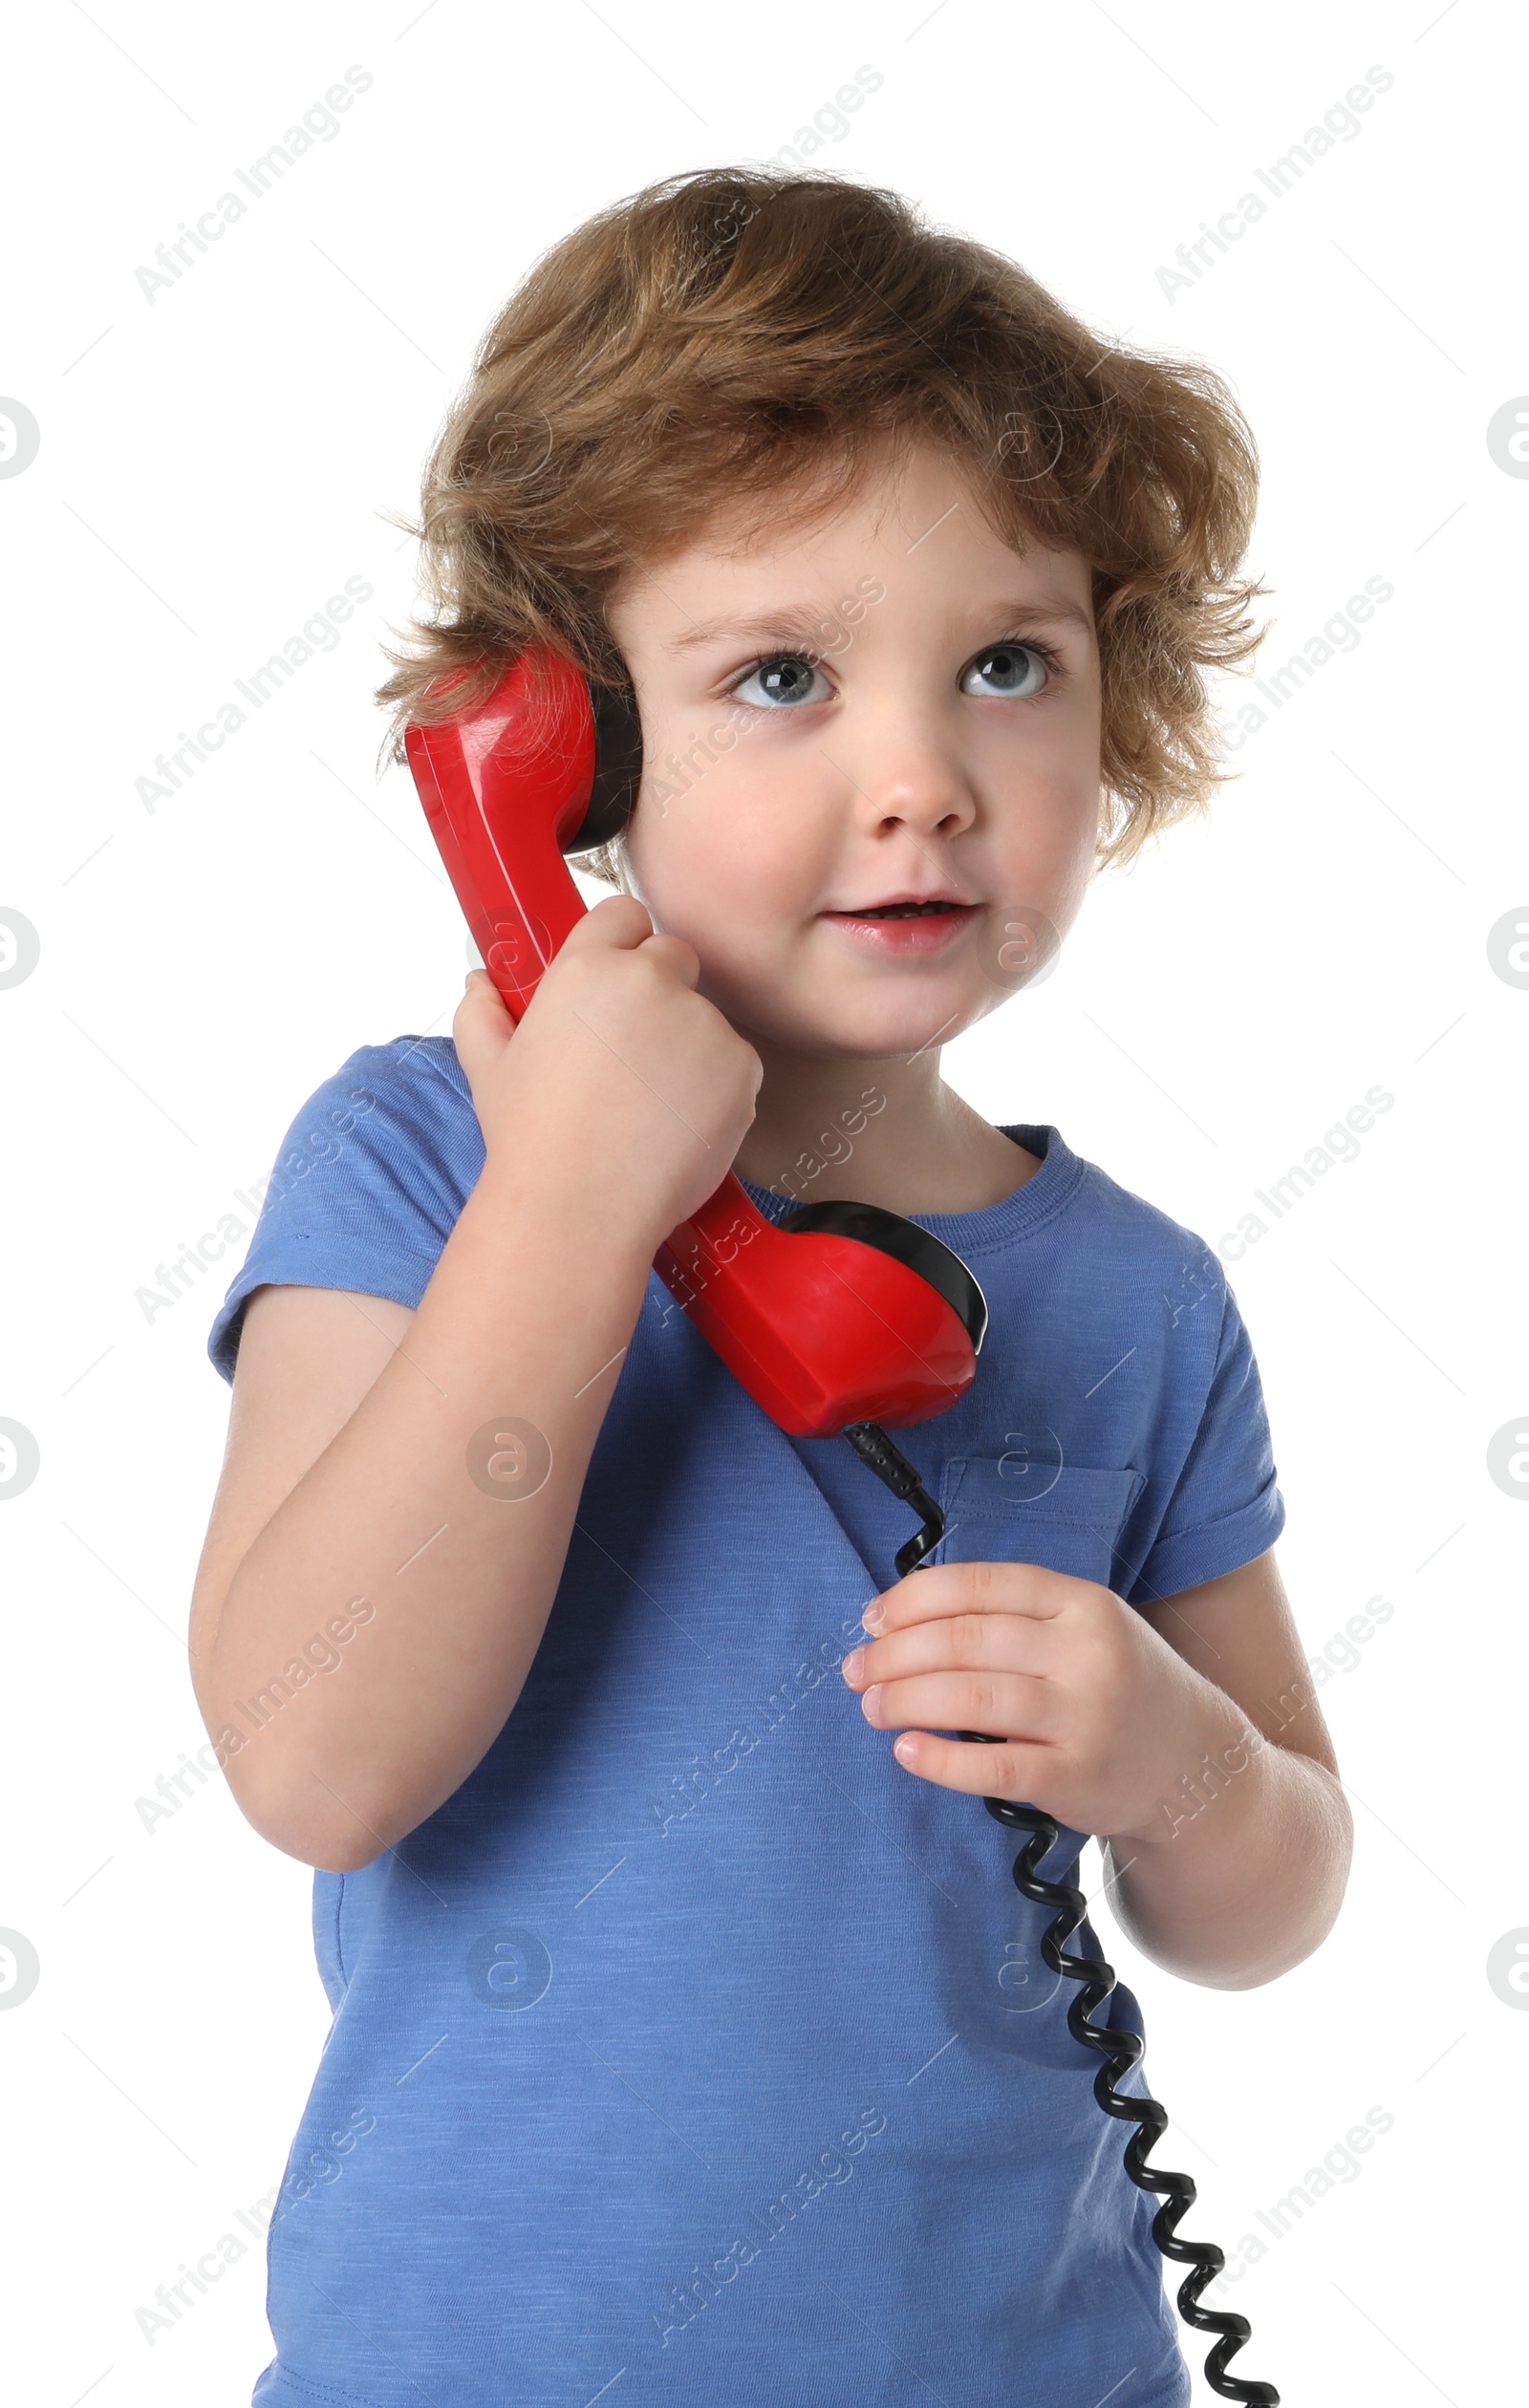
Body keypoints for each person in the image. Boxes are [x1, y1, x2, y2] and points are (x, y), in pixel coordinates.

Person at [191, 167, 1352, 2408]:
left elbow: (1271, 1893)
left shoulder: (1132, 1295)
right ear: (565, 751)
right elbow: (315, 1757)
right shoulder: (417, 1164)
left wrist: (1172, 1764)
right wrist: (566, 1203)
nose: (918, 780)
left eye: (1004, 662)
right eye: (781, 678)